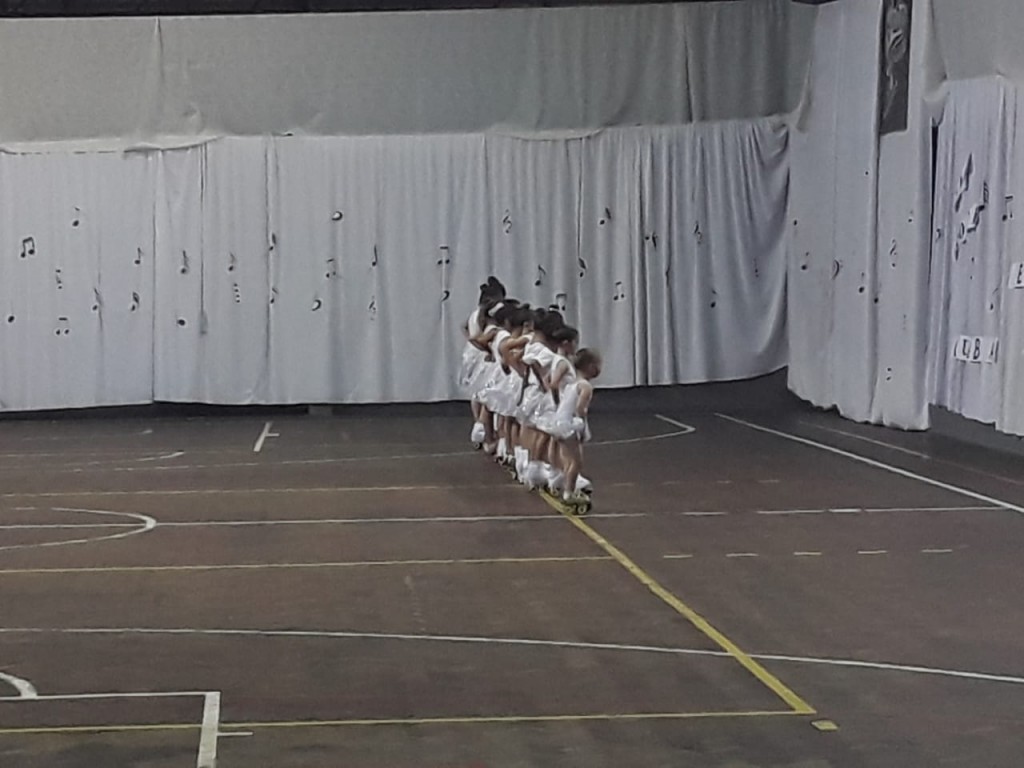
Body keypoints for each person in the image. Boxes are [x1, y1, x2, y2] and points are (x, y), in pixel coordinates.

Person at [460, 277, 505, 447]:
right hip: (480, 354)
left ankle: (479, 426)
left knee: (475, 392)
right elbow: (480, 337)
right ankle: (482, 429)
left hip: (470, 352)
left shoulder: (474, 314)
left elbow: (464, 327)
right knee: (484, 392)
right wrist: (487, 349)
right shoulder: (484, 317)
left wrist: (470, 338)